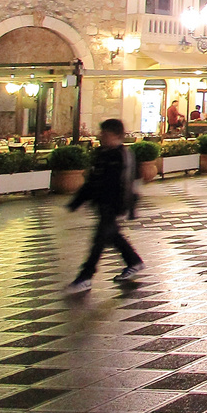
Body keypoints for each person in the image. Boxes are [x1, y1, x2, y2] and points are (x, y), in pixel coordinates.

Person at [64, 118, 144, 293]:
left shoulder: (125, 156)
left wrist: (130, 207)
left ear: (116, 135)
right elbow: (93, 181)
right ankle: (133, 261)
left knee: (99, 241)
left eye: (105, 133)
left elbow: (134, 183)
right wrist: (77, 201)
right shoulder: (101, 154)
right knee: (113, 236)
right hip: (102, 203)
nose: (101, 136)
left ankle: (86, 276)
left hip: (114, 204)